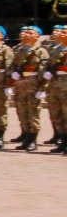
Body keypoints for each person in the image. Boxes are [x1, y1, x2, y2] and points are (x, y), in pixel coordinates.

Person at [9, 25, 49, 152]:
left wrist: (42, 89)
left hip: (33, 84)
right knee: (22, 112)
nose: (26, 35)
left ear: (37, 36)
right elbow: (13, 65)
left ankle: (33, 139)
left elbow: (44, 72)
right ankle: (26, 137)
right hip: (21, 84)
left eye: (30, 33)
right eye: (26, 33)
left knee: (33, 114)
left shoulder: (41, 52)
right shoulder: (21, 51)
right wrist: (13, 75)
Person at [46, 25, 67, 154]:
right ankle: (62, 141)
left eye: (65, 32)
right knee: (57, 114)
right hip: (55, 84)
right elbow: (48, 65)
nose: (63, 34)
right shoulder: (56, 49)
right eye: (62, 32)